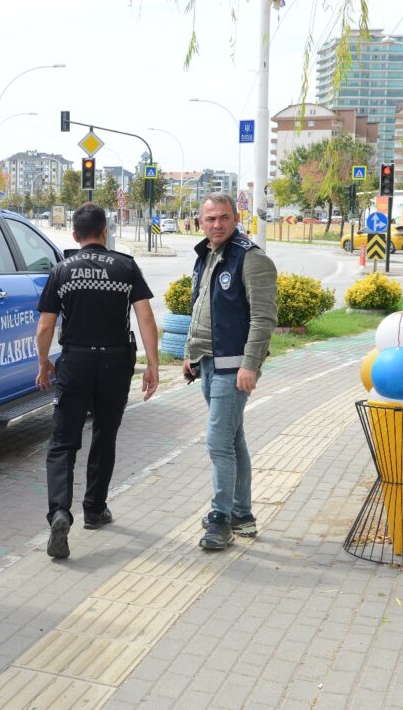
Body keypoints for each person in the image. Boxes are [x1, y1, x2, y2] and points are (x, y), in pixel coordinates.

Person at [35, 202, 160, 560]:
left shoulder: (61, 270)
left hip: (74, 362)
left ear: (75, 235)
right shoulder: (126, 266)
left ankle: (60, 512)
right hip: (115, 362)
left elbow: (45, 326)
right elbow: (146, 317)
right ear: (105, 232)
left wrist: (44, 363)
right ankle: (94, 509)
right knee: (104, 435)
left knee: (62, 442)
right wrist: (152, 365)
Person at [183, 192, 278, 551]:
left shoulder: (250, 259)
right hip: (208, 363)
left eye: (224, 217)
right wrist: (190, 355)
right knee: (233, 440)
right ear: (201, 221)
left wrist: (250, 364)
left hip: (233, 368)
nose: (217, 224)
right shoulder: (206, 255)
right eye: (210, 219)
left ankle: (220, 518)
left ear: (236, 219)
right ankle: (242, 516)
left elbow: (263, 317)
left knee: (218, 443)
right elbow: (202, 310)